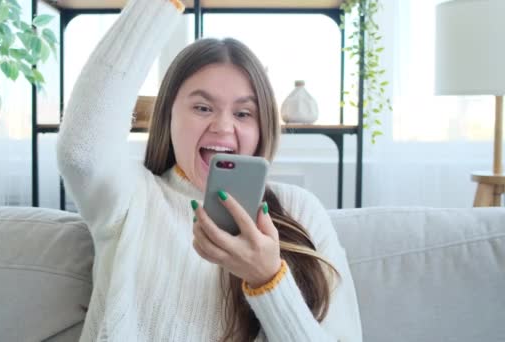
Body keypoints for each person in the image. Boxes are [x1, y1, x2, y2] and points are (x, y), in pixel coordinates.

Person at [56, 0, 362, 341]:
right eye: (202, 107)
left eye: (244, 113)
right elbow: (80, 150)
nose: (223, 126)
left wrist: (268, 280)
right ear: (169, 116)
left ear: (263, 128)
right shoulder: (132, 197)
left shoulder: (300, 210)